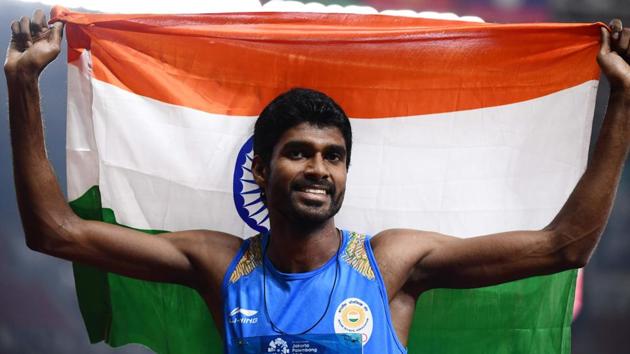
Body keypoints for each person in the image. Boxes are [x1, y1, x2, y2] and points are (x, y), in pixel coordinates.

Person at [5, 9, 630, 354]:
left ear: (346, 174)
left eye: (333, 157)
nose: (318, 169)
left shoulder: (392, 263)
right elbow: (56, 232)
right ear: (259, 167)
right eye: (298, 153)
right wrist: (23, 86)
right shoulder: (218, 263)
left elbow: (564, 246)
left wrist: (623, 100)